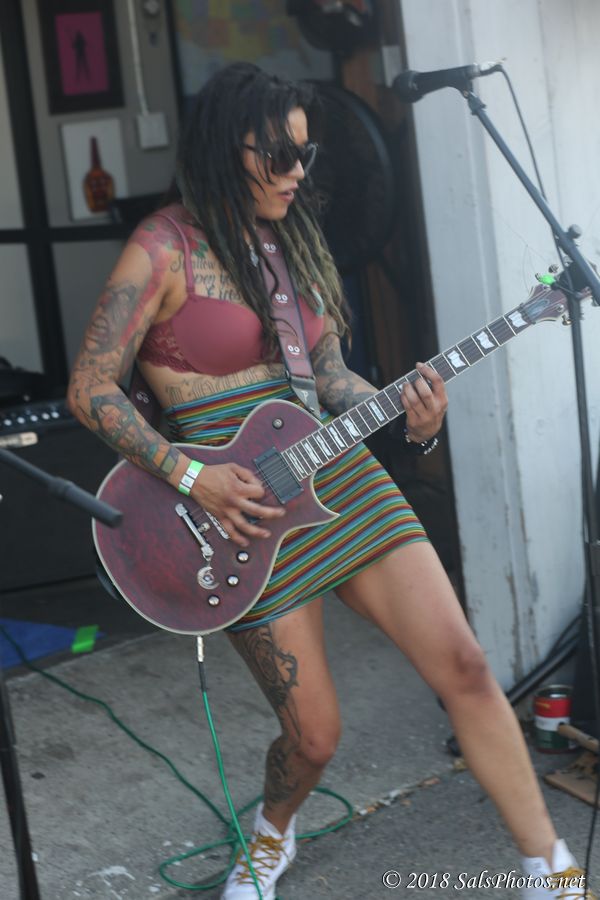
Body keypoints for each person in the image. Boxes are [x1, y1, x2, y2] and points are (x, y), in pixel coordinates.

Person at [67, 63, 593, 900]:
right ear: (225, 146)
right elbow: (90, 388)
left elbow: (331, 375)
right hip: (232, 508)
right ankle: (271, 834)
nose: (295, 173)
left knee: (464, 664)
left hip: (334, 470)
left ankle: (550, 871)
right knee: (314, 737)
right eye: (277, 154)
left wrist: (414, 414)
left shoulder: (294, 242)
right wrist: (192, 475)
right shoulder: (163, 248)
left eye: (305, 155)